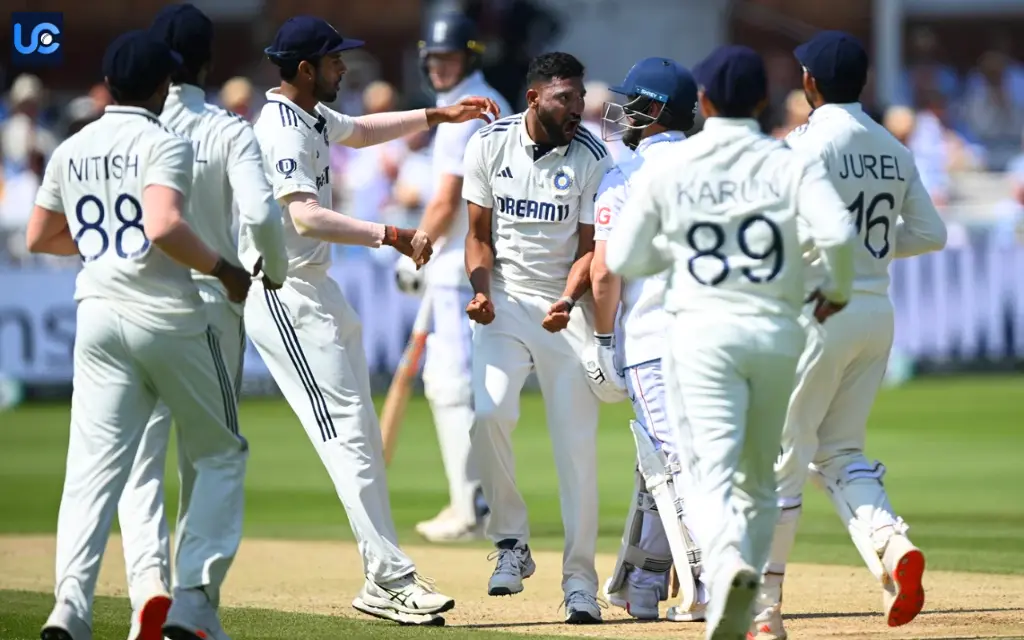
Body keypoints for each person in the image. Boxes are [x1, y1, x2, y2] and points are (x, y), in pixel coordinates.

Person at [242, 15, 499, 626]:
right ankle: (389, 578)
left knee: (358, 435)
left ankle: (382, 575)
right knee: (350, 440)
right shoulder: (281, 129)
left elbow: (359, 132)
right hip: (284, 293)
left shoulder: (308, 114)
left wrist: (439, 115)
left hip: (316, 288)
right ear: (306, 69)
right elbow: (304, 216)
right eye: (335, 60)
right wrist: (390, 234)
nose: (344, 67)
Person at [604, 45, 857, 640]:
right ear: (763, 99)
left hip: (700, 336)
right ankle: (757, 597)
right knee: (760, 473)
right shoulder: (784, 159)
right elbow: (839, 234)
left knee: (707, 471)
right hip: (774, 336)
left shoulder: (668, 168)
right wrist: (836, 292)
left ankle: (727, 575)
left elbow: (623, 258)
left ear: (707, 102)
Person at [27, 30, 253, 640]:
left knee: (91, 472)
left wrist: (104, 250)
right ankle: (192, 605)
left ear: (109, 83)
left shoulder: (72, 146)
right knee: (220, 453)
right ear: (162, 86)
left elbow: (40, 236)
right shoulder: (164, 141)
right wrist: (225, 271)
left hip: (97, 314)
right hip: (168, 316)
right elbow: (163, 226)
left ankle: (69, 610)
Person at [753, 32, 948, 640]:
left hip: (816, 312)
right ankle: (892, 544)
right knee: (840, 453)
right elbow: (932, 233)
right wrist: (872, 250)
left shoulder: (803, 145)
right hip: (874, 314)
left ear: (809, 82)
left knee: (780, 461)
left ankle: (763, 613)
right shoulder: (892, 145)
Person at [111, 6, 291, 640]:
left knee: (138, 459)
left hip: (130, 302)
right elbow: (262, 213)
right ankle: (193, 601)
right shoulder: (225, 128)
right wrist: (273, 270)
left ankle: (148, 590)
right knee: (211, 456)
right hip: (211, 303)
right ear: (208, 61)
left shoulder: (127, 132)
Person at [463, 51, 614, 624]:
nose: (577, 108)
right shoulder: (488, 145)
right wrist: (481, 291)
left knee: (576, 449)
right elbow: (478, 237)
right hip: (502, 302)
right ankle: (511, 542)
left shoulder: (592, 157)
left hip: (563, 309)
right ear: (534, 98)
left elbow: (589, 250)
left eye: (580, 97)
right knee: (488, 412)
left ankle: (580, 582)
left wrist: (568, 300)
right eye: (564, 98)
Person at [589, 56, 709, 623]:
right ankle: (642, 581)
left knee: (672, 466)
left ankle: (706, 585)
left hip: (652, 339)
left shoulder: (626, 176)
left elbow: (604, 273)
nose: (624, 113)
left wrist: (603, 339)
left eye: (633, 103)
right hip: (713, 337)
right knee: (680, 460)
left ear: (654, 110)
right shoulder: (712, 165)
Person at [393, 10, 512, 544]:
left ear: (470, 56)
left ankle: (471, 505)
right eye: (434, 58)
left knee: (451, 386)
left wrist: (413, 251)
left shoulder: (463, 113)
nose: (440, 67)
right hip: (479, 262)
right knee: (464, 384)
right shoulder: (494, 102)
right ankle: (472, 499)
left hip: (457, 268)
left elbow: (445, 200)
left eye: (450, 57)